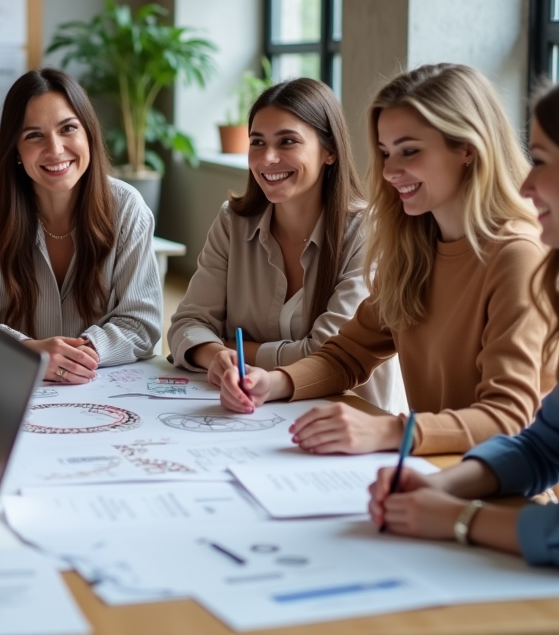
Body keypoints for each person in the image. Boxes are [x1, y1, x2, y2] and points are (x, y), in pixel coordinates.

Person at [368, 62, 559, 590]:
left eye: (544, 160)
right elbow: (541, 444)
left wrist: (460, 520)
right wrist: (446, 486)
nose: (526, 182)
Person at [220, 64, 555, 455]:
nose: (391, 171)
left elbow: (507, 416)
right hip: (436, 469)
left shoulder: (517, 254)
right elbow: (348, 354)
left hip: (516, 489)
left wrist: (387, 432)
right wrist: (274, 383)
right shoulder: (415, 246)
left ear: (468, 147)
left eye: (409, 151)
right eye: (384, 152)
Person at [169, 78, 405, 412]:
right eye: (257, 142)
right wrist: (217, 356)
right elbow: (186, 324)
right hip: (256, 414)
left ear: (330, 151)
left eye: (288, 141)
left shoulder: (369, 229)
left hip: (346, 417)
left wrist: (234, 348)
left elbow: (328, 353)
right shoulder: (233, 221)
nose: (267, 159)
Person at [0, 68, 162, 380]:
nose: (55, 149)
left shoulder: (127, 209)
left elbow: (141, 323)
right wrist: (31, 354)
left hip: (102, 392)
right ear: (15, 150)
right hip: (12, 396)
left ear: (89, 135)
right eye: (34, 135)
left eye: (68, 128)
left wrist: (76, 357)